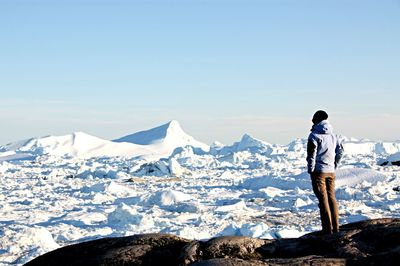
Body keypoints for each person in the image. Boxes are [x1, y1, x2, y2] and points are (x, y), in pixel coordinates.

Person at [306, 110, 344, 234]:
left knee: (323, 200)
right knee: (332, 198)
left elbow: (311, 155)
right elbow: (340, 151)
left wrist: (311, 170)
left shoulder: (314, 136)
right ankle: (336, 228)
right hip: (331, 171)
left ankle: (327, 230)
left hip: (319, 172)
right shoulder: (334, 135)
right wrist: (334, 165)